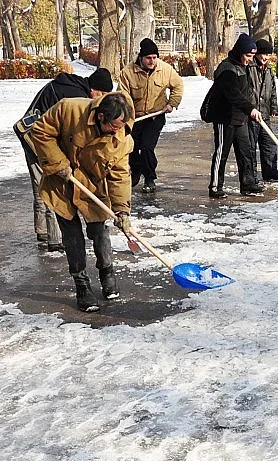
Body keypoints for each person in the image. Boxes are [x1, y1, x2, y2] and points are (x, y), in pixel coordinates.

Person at [27, 92, 135, 312]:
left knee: (99, 231)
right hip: (61, 181)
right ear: (101, 116)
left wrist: (122, 210)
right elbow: (40, 131)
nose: (118, 130)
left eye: (121, 125)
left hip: (93, 186)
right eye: (114, 125)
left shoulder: (122, 139)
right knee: (72, 236)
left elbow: (121, 175)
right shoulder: (69, 109)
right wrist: (58, 164)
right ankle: (82, 285)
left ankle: (107, 272)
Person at [14, 68, 113, 252]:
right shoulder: (76, 99)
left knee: (40, 185)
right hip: (38, 139)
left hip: (30, 133)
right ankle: (54, 239)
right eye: (103, 94)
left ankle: (42, 231)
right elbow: (68, 135)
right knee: (53, 185)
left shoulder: (72, 85)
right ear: (95, 89)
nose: (103, 100)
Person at [118, 38, 184, 194]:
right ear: (141, 57)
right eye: (148, 58)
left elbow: (178, 85)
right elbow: (123, 95)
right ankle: (135, 171)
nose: (152, 61)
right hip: (135, 117)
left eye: (154, 58)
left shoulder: (165, 70)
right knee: (132, 147)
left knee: (147, 147)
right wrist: (128, 114)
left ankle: (149, 177)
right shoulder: (127, 72)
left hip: (156, 116)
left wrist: (172, 103)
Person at [206, 34, 265, 198]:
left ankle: (247, 183)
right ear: (239, 52)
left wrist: (251, 109)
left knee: (246, 151)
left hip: (241, 117)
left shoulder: (245, 66)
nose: (250, 60)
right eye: (248, 56)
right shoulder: (227, 68)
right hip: (225, 117)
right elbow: (233, 94)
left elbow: (247, 92)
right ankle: (215, 186)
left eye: (252, 56)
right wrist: (250, 108)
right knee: (221, 153)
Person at [248, 38, 278, 182]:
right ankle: (251, 176)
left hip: (264, 113)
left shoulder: (269, 69)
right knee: (250, 146)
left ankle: (270, 172)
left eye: (268, 55)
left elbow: (273, 90)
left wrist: (274, 107)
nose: (265, 57)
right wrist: (250, 108)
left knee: (269, 143)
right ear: (256, 53)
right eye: (262, 54)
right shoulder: (249, 67)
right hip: (251, 114)